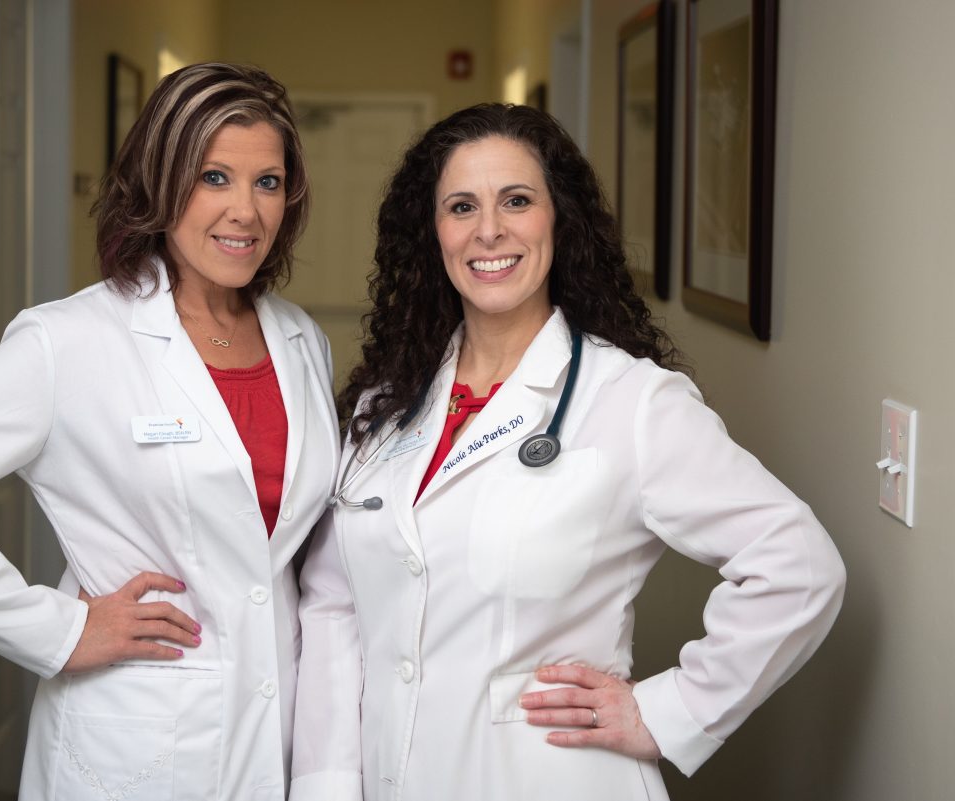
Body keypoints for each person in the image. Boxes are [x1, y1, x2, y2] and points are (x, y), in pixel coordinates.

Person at [289, 104, 846, 801]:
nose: (489, 230)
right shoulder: (384, 407)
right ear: (433, 234)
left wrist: (670, 711)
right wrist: (326, 785)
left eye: (516, 201)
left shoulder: (633, 401)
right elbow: (333, 606)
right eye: (461, 206)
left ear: (561, 220)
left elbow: (798, 566)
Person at [0, 63, 339, 801]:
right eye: (213, 177)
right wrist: (54, 629)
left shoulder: (301, 340)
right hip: (133, 740)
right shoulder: (70, 341)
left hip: (278, 730)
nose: (245, 210)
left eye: (267, 182)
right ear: (159, 184)